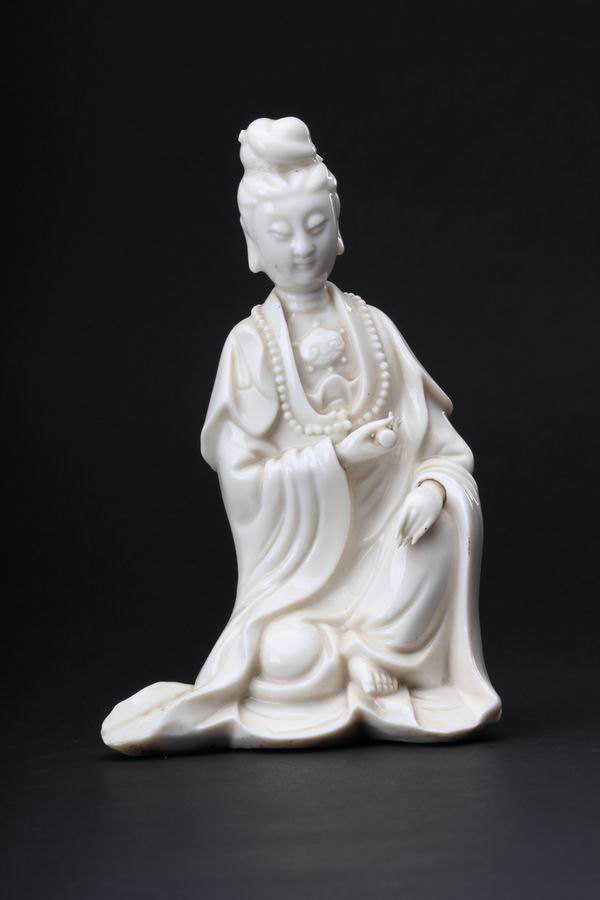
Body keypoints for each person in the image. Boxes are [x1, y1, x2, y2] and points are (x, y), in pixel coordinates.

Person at [102, 117, 501, 755]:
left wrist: (431, 489)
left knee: (443, 529)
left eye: (315, 227)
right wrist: (336, 459)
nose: (300, 248)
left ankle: (377, 652)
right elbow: (244, 483)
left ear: (337, 228)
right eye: (280, 234)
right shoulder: (249, 346)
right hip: (301, 583)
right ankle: (346, 658)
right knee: (287, 651)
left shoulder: (375, 328)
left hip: (388, 562)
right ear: (253, 245)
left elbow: (445, 451)